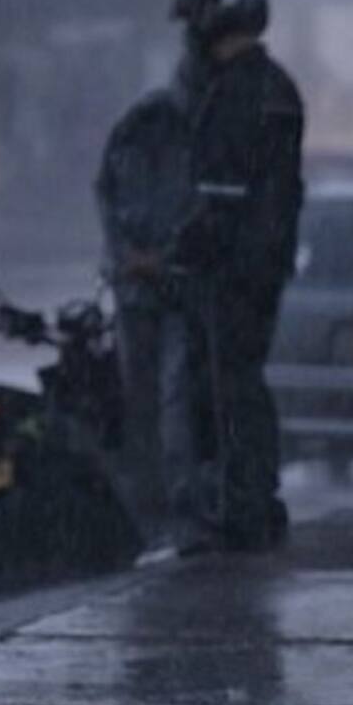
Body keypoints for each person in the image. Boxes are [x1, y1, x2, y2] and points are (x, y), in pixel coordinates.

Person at [165, 0, 305, 555]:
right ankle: (255, 502)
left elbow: (220, 198)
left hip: (228, 271)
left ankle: (233, 510)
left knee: (220, 392)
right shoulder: (276, 86)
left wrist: (171, 254)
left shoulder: (234, 93)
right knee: (243, 386)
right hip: (262, 264)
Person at [94, 88, 196, 545]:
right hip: (166, 288)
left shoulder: (128, 143)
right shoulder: (184, 144)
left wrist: (127, 258)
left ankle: (149, 503)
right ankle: (168, 500)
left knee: (144, 397)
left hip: (139, 288)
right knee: (169, 397)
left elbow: (108, 206)